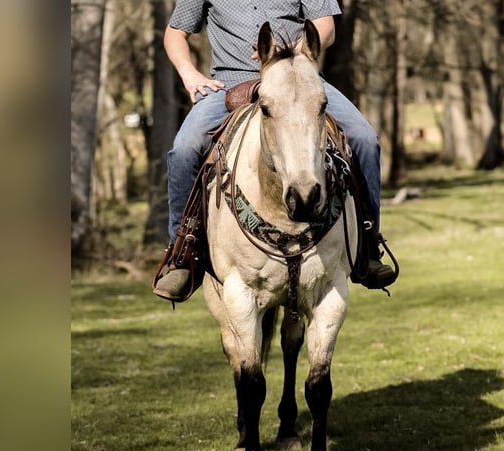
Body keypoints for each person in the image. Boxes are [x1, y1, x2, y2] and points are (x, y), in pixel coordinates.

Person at [154, 0, 396, 299]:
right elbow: (175, 33)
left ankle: (369, 248)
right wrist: (189, 74)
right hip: (230, 84)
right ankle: (182, 255)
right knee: (185, 148)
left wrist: (290, 50)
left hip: (297, 79)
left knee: (363, 139)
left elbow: (326, 26)